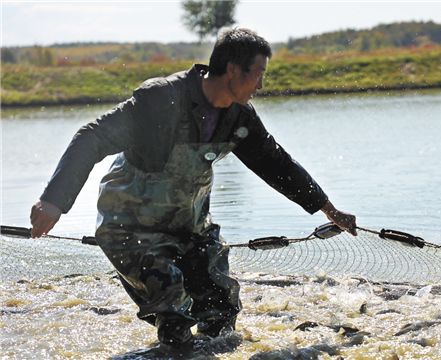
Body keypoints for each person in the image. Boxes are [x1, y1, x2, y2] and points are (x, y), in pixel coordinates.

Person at [29, 28, 356, 348]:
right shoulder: (160, 100)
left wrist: (330, 210)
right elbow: (93, 136)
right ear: (231, 69)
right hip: (128, 228)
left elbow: (277, 165)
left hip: (189, 226)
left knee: (222, 304)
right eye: (257, 74)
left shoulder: (240, 118)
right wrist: (54, 201)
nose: (261, 84)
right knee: (172, 297)